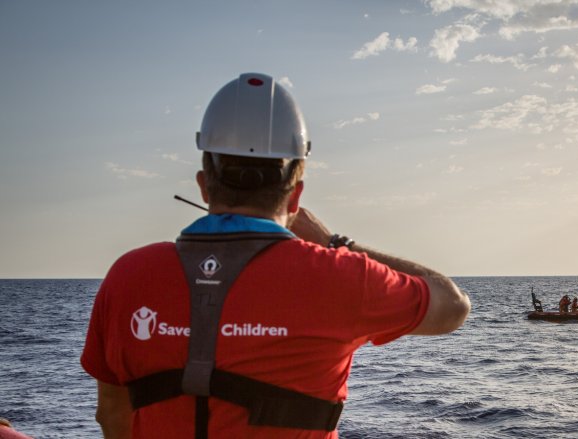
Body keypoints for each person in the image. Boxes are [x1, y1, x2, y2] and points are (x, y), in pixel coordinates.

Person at [79, 73, 471, 439]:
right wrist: (333, 242)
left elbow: (112, 415)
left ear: (203, 185)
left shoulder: (128, 275)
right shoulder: (341, 277)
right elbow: (452, 306)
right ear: (296, 195)